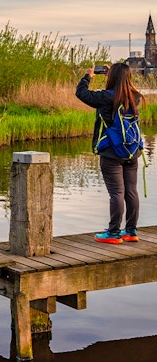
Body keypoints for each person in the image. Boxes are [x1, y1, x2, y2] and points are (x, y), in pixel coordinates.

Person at [75, 62, 145, 244]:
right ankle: (130, 231)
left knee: (116, 193)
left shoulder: (106, 97)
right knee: (131, 191)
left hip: (111, 153)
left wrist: (88, 76)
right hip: (132, 152)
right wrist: (114, 75)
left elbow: (81, 93)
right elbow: (122, 88)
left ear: (112, 77)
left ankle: (113, 233)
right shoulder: (135, 97)